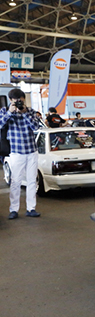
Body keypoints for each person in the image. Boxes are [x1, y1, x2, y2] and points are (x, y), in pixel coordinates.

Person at [0, 88, 41, 219]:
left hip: (32, 151)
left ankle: (31, 208)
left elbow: (36, 127)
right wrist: (9, 113)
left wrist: (24, 113)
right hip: (16, 152)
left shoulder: (30, 111)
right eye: (16, 101)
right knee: (15, 181)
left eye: (21, 101)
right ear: (10, 100)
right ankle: (13, 209)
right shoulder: (4, 111)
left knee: (32, 181)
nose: (19, 104)